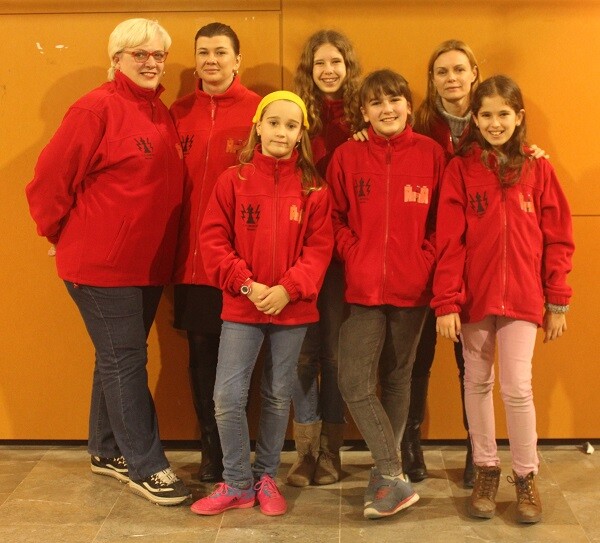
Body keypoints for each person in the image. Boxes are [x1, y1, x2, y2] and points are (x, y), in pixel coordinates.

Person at [25, 18, 190, 506]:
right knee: (126, 361)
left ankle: (105, 449)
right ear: (116, 58)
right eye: (138, 53)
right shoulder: (95, 107)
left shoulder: (159, 110)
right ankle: (146, 465)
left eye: (157, 55)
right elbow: (49, 180)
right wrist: (56, 232)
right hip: (102, 266)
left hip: (145, 266)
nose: (150, 62)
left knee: (117, 357)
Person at [432, 75, 574, 524]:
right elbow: (449, 241)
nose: (495, 123)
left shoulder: (539, 168)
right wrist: (447, 301)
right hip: (474, 298)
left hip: (525, 299)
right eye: (487, 115)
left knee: (517, 387)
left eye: (504, 115)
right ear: (475, 118)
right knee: (475, 383)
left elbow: (558, 239)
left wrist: (558, 300)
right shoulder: (461, 169)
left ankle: (526, 476)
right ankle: (486, 469)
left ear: (519, 118)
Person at [190, 91, 333, 517]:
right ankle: (237, 481)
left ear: (301, 134)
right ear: (258, 126)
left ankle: (267, 475)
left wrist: (288, 289)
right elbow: (213, 242)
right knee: (227, 397)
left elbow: (319, 249)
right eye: (273, 123)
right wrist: (248, 286)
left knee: (276, 395)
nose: (281, 132)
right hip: (242, 307)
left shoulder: (314, 189)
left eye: (291, 126)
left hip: (292, 310)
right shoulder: (232, 181)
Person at [328, 70, 446, 519]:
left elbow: (442, 221)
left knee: (398, 378)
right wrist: (353, 252)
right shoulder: (347, 156)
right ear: (364, 112)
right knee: (354, 380)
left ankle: (383, 479)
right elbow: (334, 216)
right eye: (376, 103)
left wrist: (424, 257)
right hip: (361, 288)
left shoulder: (432, 155)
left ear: (408, 106)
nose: (386, 109)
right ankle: (393, 470)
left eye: (394, 100)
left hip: (413, 289)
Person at [169, 22, 261, 483]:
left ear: (237, 59)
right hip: (190, 259)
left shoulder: (257, 112)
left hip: (239, 259)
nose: (211, 60)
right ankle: (213, 451)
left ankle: (241, 452)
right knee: (201, 353)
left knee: (242, 357)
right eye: (202, 51)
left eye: (221, 52)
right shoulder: (178, 111)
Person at [287, 29, 361, 488]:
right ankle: (304, 451)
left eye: (337, 61)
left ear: (349, 67)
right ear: (309, 69)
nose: (328, 70)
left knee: (334, 354)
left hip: (342, 258)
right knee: (299, 354)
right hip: (296, 252)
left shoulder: (363, 114)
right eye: (319, 63)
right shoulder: (295, 114)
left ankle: (331, 452)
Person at [405, 39, 480, 486]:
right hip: (423, 254)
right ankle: (409, 443)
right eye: (441, 72)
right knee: (416, 358)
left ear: (474, 72)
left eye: (458, 69)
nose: (451, 78)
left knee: (471, 361)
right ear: (432, 80)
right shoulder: (418, 123)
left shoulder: (494, 117)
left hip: (475, 260)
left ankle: (478, 447)